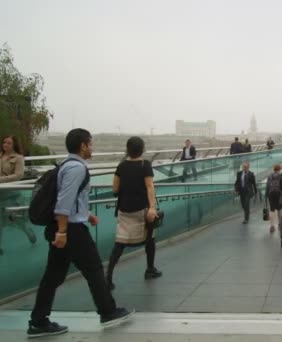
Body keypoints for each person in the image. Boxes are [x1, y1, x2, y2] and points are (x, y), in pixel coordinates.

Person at [28, 129, 132, 338]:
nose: (92, 148)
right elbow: (64, 202)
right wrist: (63, 231)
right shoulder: (76, 168)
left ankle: (38, 321)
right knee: (93, 269)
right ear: (83, 146)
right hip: (71, 231)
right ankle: (107, 311)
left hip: (67, 227)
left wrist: (87, 214)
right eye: (90, 144)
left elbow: (72, 200)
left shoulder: (66, 165)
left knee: (53, 276)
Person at [106, 137, 162, 291]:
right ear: (142, 149)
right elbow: (150, 186)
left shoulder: (122, 166)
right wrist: (152, 207)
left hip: (124, 209)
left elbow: (115, 189)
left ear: (128, 149)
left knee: (120, 243)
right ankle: (150, 269)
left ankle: (108, 276)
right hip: (142, 209)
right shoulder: (145, 165)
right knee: (150, 238)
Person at [0, 135, 35, 256]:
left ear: (14, 145)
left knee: (16, 219)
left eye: (9, 143)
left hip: (10, 193)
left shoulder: (19, 158)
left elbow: (19, 175)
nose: (5, 145)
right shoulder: (0, 155)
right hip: (0, 191)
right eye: (4, 142)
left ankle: (27, 230)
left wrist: (1, 179)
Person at [265, 164, 282, 233]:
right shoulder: (281, 176)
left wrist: (266, 195)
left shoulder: (270, 176)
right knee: (280, 210)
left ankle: (272, 226)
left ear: (274, 169)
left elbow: (267, 186)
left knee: (272, 210)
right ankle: (280, 225)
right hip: (279, 194)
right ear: (279, 169)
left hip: (271, 194)